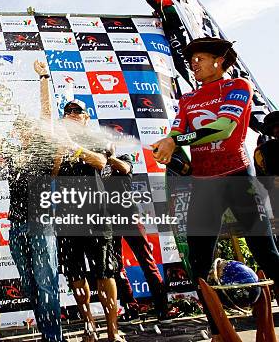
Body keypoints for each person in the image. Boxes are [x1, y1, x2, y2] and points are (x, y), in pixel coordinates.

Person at [152, 37, 279, 341]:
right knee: (198, 261)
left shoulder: (237, 87)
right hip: (204, 186)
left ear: (219, 61)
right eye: (192, 59)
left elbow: (225, 128)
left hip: (238, 178)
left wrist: (176, 142)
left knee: (267, 253)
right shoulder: (187, 100)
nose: (193, 64)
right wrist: (168, 149)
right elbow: (176, 133)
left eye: (200, 59)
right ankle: (217, 330)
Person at [0, 60, 66, 342]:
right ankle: (46, 332)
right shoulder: (13, 152)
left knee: (46, 281)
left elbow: (47, 115)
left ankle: (54, 337)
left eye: (26, 127)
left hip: (42, 224)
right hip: (17, 226)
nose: (22, 131)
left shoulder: (43, 149)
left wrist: (43, 77)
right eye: (19, 129)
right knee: (30, 284)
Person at [56, 99, 125, 342]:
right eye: (68, 111)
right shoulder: (56, 140)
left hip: (96, 212)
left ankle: (112, 331)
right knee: (75, 274)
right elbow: (53, 172)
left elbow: (101, 161)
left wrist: (73, 146)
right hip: (67, 215)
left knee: (105, 271)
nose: (72, 114)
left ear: (87, 117)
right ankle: (89, 326)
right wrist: (59, 145)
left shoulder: (97, 137)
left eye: (78, 111)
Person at [103, 154, 174, 325]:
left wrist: (109, 158)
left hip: (130, 216)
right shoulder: (99, 164)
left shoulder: (123, 158)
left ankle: (162, 309)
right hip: (110, 220)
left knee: (146, 261)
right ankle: (131, 309)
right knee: (116, 266)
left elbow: (126, 168)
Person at [254, 111, 279, 218]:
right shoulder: (263, 150)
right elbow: (262, 177)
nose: (276, 130)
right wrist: (272, 181)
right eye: (274, 128)